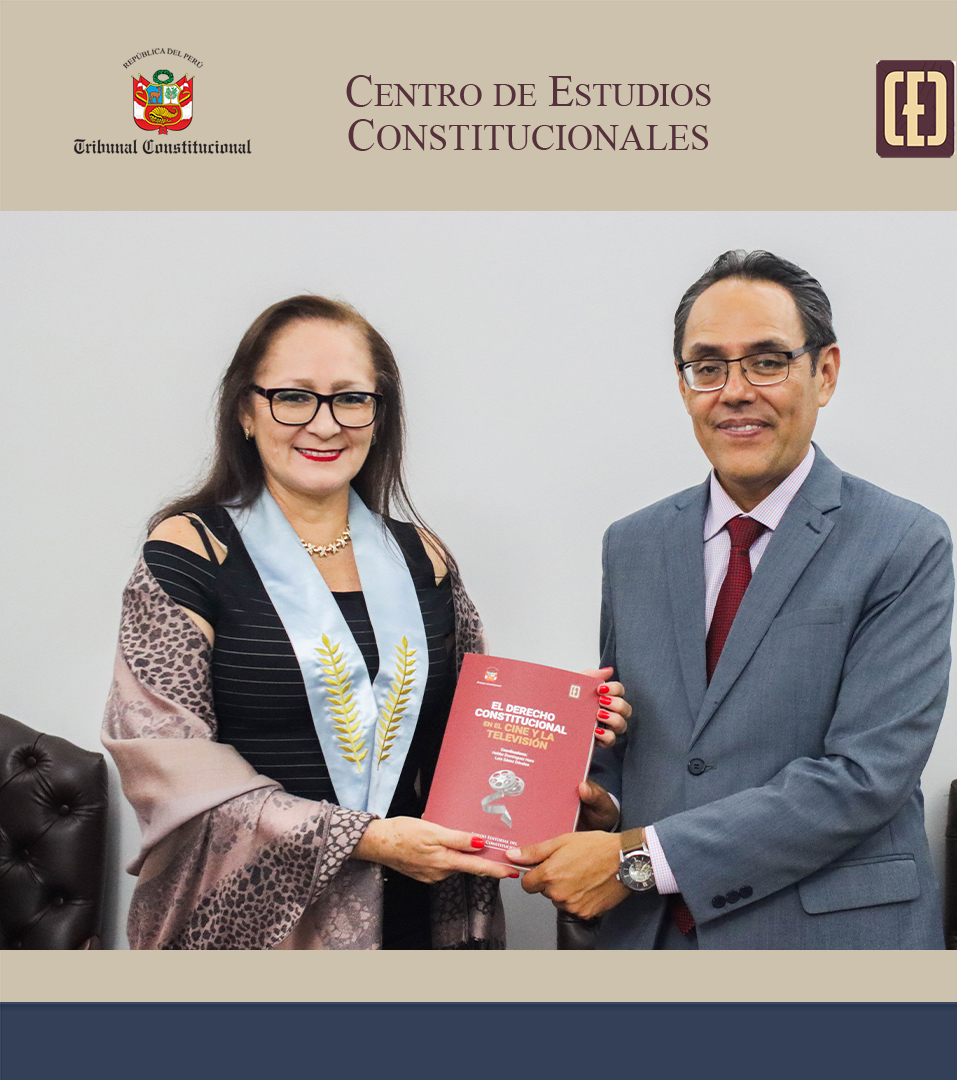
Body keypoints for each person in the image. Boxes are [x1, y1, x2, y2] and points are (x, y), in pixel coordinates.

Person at [102, 294, 629, 950]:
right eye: (294, 396)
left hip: (416, 913)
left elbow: (461, 738)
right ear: (245, 410)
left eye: (351, 398)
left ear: (379, 415)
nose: (325, 424)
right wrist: (366, 839)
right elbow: (168, 767)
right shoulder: (191, 551)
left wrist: (559, 726)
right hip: (257, 929)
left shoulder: (422, 558)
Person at [510, 250, 953, 949]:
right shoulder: (632, 544)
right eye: (708, 366)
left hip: (828, 942)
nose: (736, 391)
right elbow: (645, 746)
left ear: (825, 372)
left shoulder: (903, 542)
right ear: (683, 384)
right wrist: (602, 806)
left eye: (768, 361)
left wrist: (634, 861)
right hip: (656, 941)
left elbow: (867, 776)